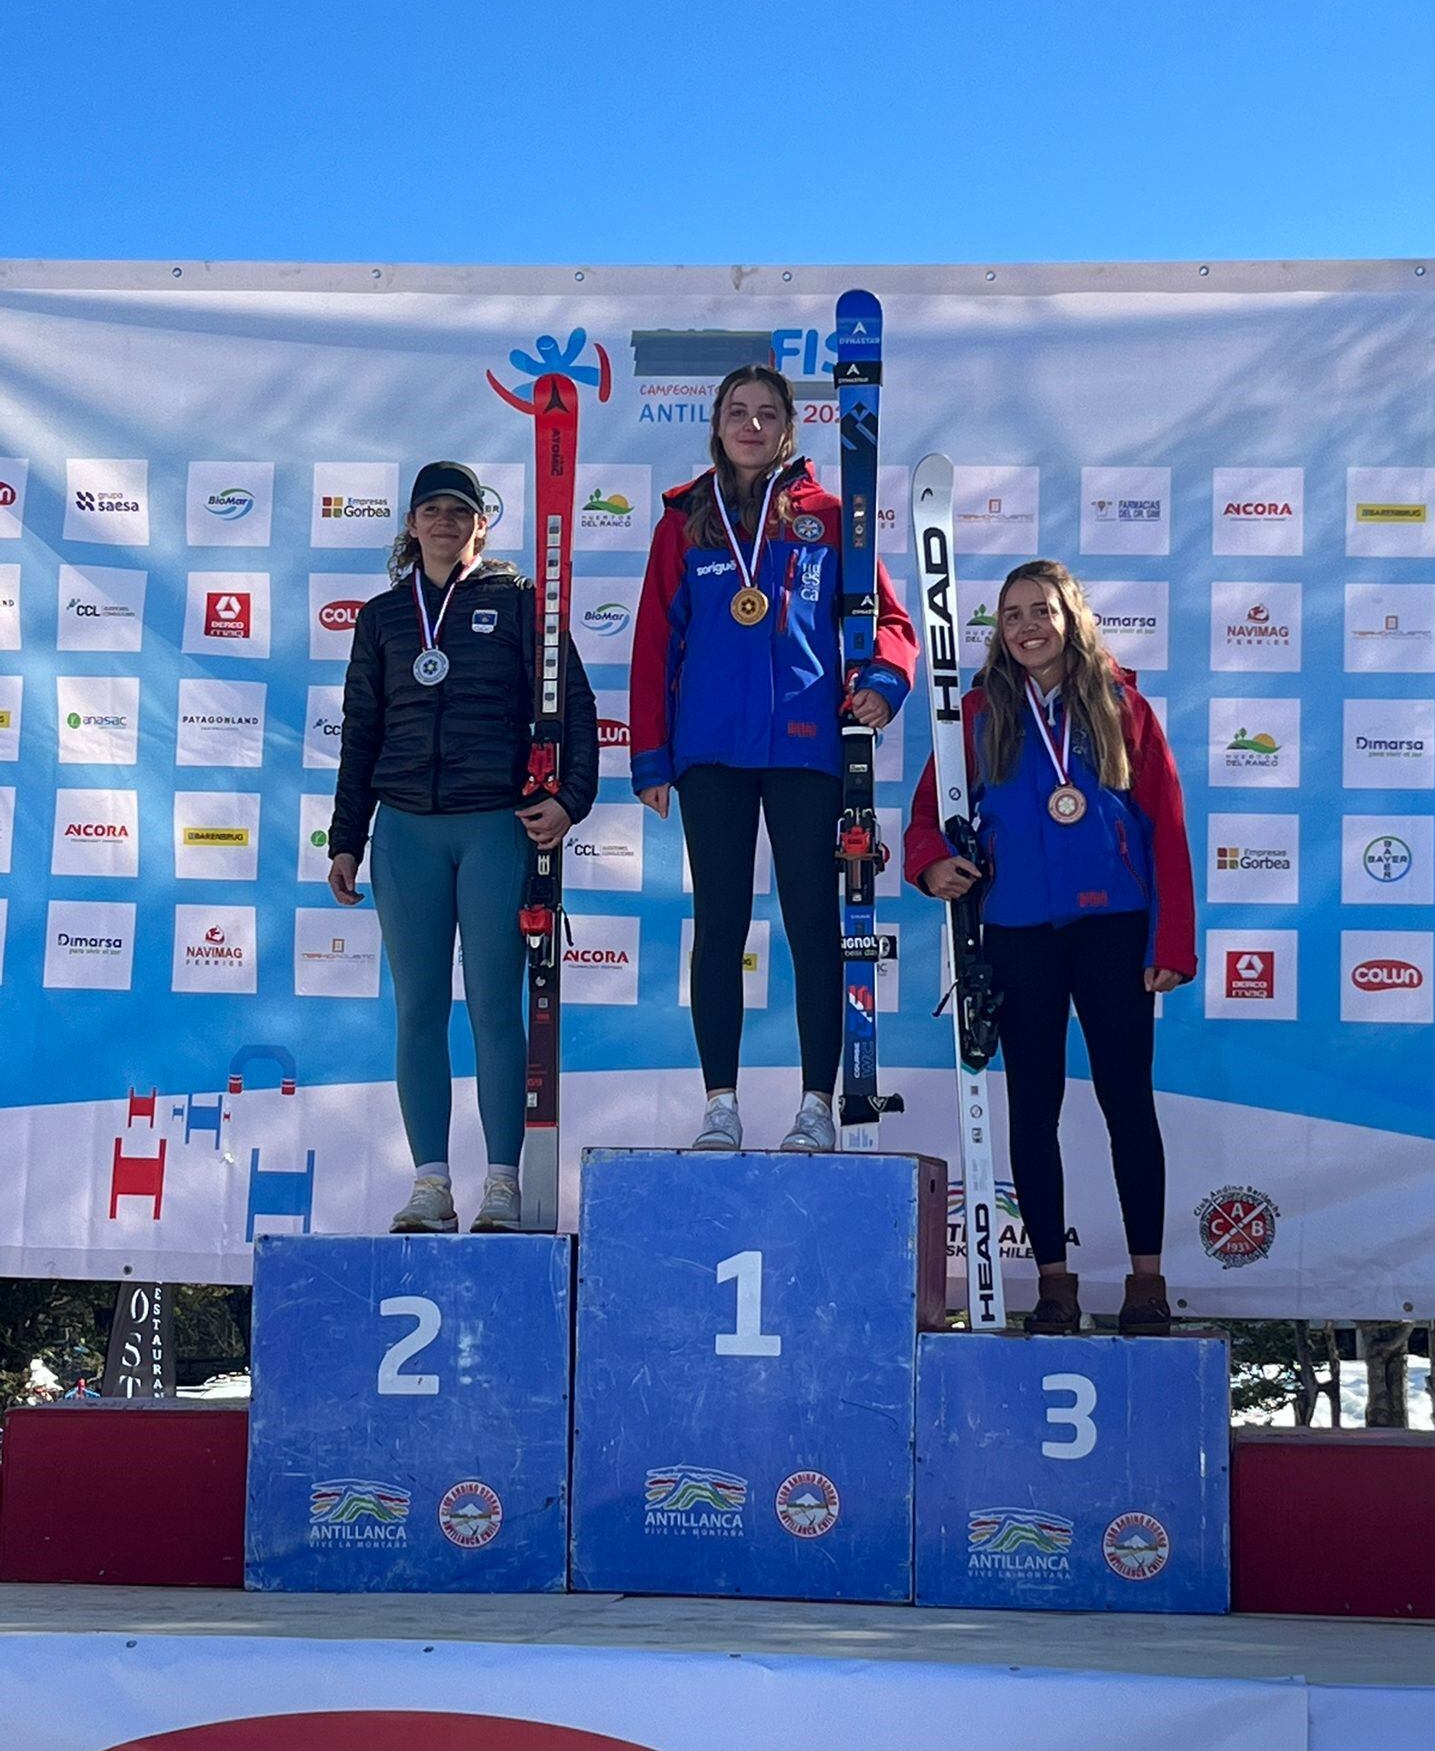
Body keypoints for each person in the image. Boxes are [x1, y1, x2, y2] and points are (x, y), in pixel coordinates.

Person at [631, 363, 918, 1152]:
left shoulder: (831, 516)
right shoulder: (685, 520)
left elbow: (887, 618)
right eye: (737, 412)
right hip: (711, 753)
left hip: (804, 746)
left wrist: (883, 682)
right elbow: (656, 640)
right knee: (718, 926)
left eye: (766, 413)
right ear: (717, 425)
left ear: (790, 427)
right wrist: (650, 757)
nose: (751, 425)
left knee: (812, 924)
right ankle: (719, 1104)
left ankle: (816, 1105)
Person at [904, 559, 1195, 1334]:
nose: (1029, 626)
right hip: (1019, 928)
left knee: (1126, 1100)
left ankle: (1146, 1284)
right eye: (1012, 615)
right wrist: (932, 862)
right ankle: (1055, 1285)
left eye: (1043, 611)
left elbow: (1165, 826)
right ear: (999, 633)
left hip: (1115, 928)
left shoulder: (1122, 704)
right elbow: (929, 815)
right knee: (1034, 1107)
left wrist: (1172, 938)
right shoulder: (974, 713)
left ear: (1072, 619)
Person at [328, 460, 598, 1235]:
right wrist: (347, 839)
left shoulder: (520, 605)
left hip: (493, 827)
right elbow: (362, 734)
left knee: (492, 1009)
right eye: (431, 511)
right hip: (405, 828)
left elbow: (573, 708)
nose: (445, 522)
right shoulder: (382, 618)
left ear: (482, 523)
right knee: (417, 1009)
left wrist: (568, 800)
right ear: (410, 526)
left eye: (460, 511)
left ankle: (503, 1185)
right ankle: (431, 1185)